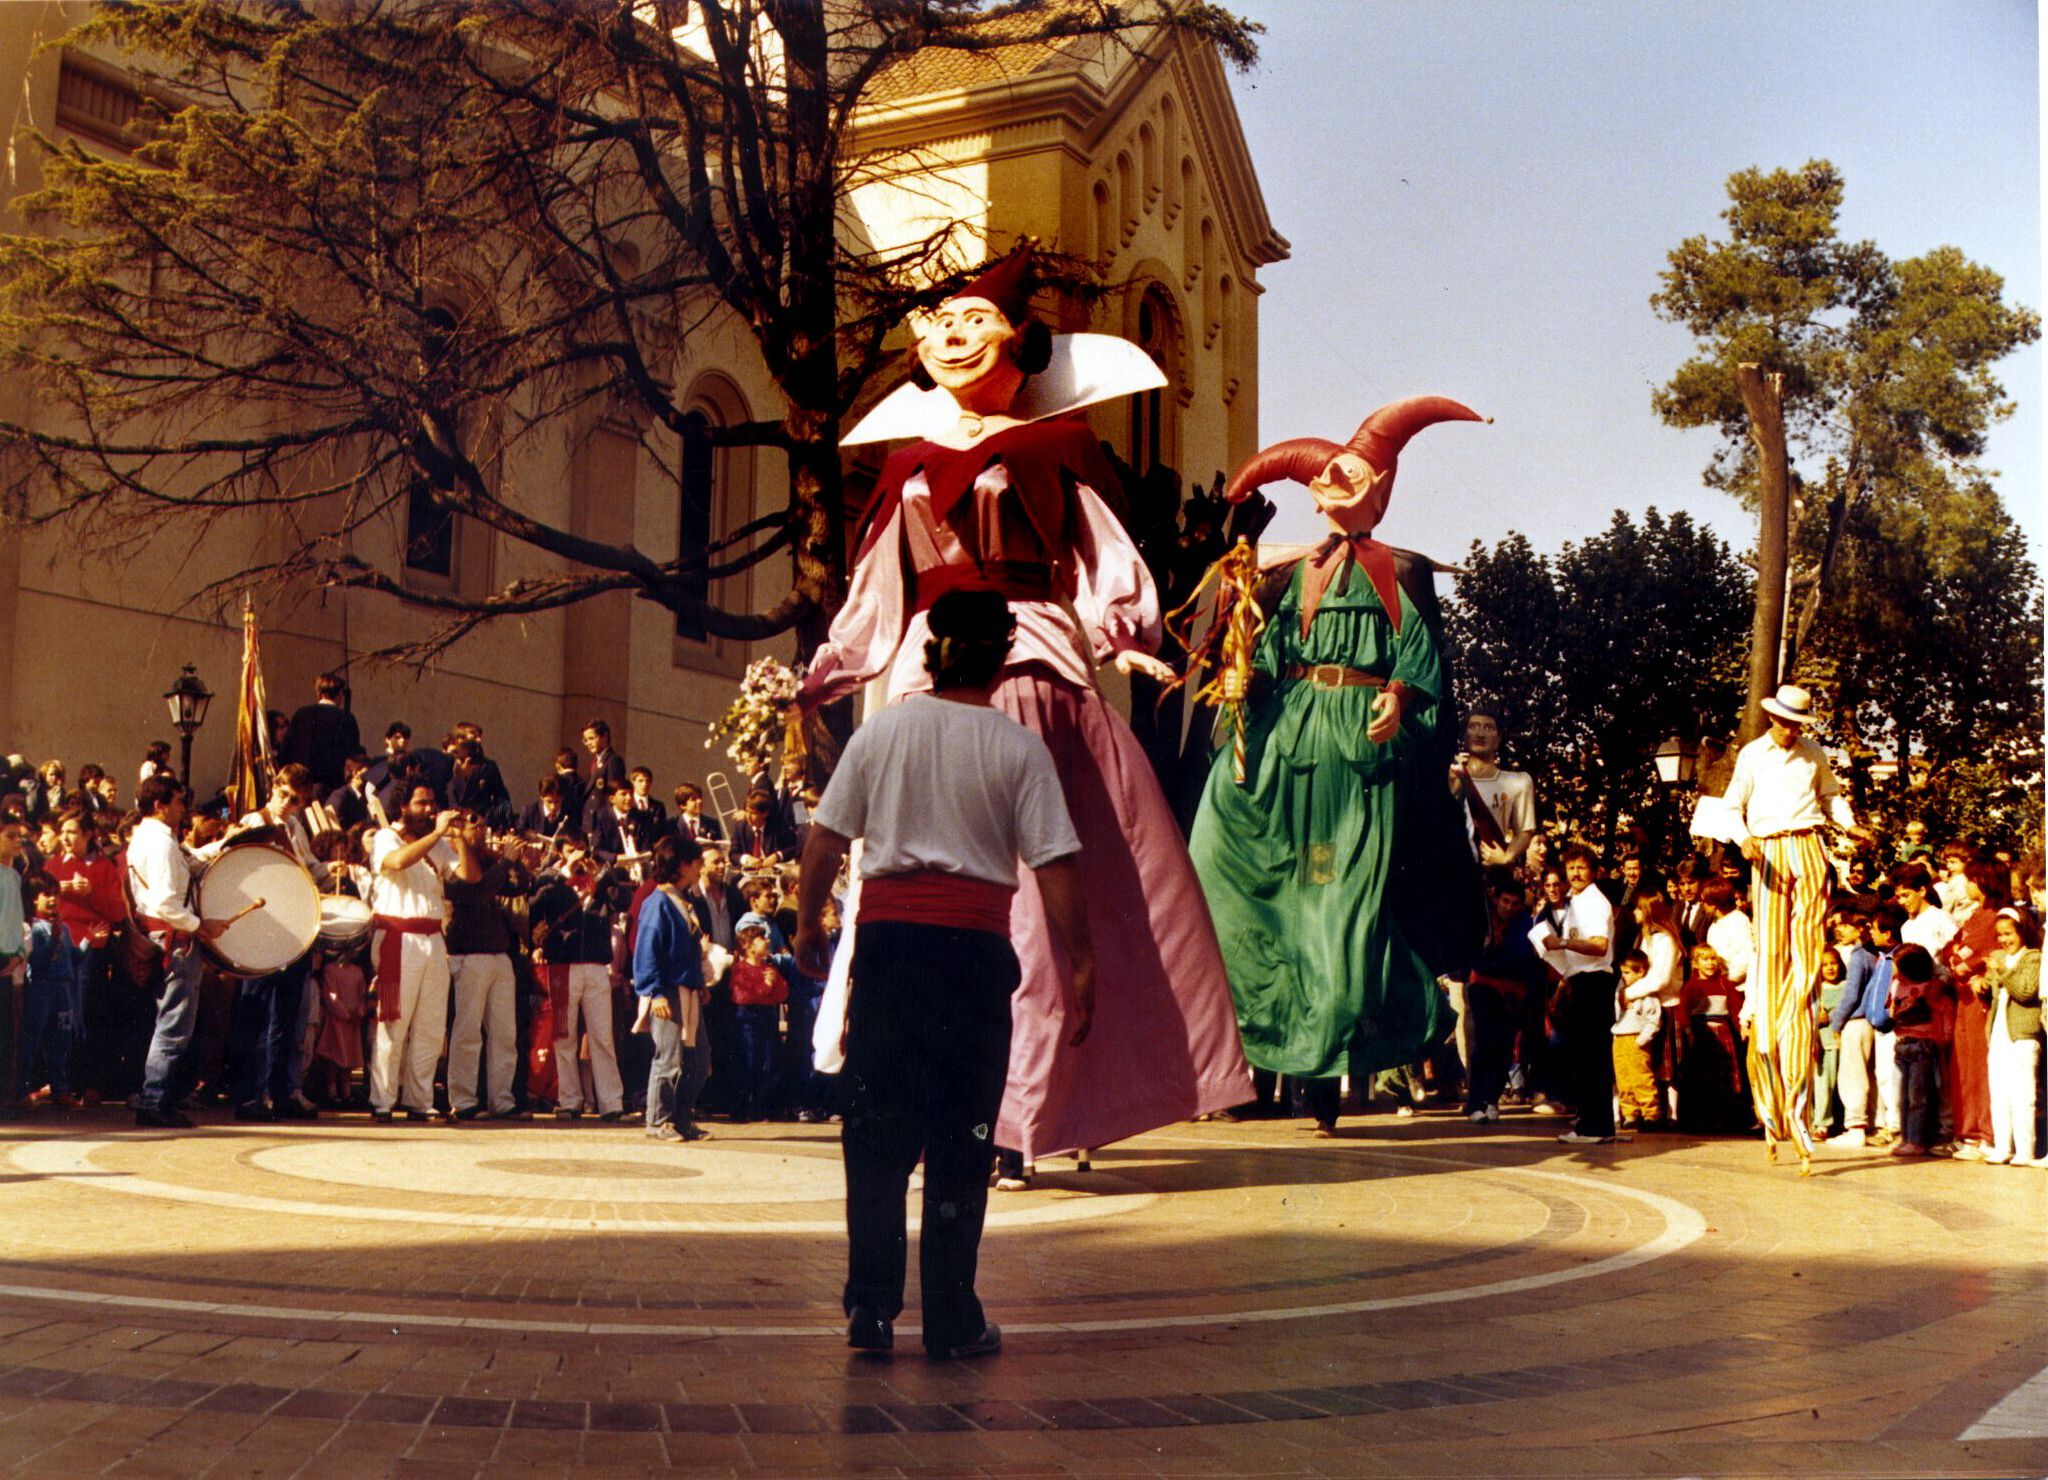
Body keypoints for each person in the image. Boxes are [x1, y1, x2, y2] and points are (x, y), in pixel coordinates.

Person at [797, 251, 1246, 1161]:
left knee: (1033, 901)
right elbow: (880, 590)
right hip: (928, 670)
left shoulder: (1058, 450)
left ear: (1021, 344)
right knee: (921, 878)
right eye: (943, 323)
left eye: (976, 320)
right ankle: (927, 1089)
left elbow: (1101, 564)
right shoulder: (909, 468)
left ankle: (1016, 1112)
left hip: (1029, 664)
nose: (955, 334)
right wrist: (829, 671)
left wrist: (1130, 641)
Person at [795, 589, 1094, 1361]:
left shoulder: (883, 732)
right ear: (1002, 655)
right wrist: (1082, 961)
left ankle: (870, 1308)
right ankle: (952, 1318)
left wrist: (805, 925)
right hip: (970, 957)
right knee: (963, 1139)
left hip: (890, 952)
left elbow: (824, 844)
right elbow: (1056, 867)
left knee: (875, 1133)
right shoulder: (1018, 748)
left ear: (931, 650)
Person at [1190, 395, 1488, 1132]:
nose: (1336, 483)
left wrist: (1398, 694)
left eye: (1355, 473)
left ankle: (1326, 1071)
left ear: (1382, 487)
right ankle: (1281, 1062)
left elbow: (1421, 661)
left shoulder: (1401, 571)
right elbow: (1262, 658)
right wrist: (1241, 680)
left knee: (1341, 908)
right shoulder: (1284, 575)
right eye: (1324, 475)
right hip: (1290, 737)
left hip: (1361, 753)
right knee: (1239, 875)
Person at [1721, 682, 1871, 1172]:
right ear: (1772, 718)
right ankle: (1770, 1099)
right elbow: (1730, 806)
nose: (1789, 730)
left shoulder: (1813, 754)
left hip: (1807, 846)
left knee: (1805, 963)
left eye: (1796, 724)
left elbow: (1831, 799)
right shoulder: (1753, 754)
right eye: (1784, 722)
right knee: (1769, 957)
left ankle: (1801, 1111)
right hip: (1766, 850)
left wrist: (1849, 826)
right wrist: (1742, 839)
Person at [222, 764, 330, 1122]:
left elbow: (312, 869)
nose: (288, 803)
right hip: (261, 929)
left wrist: (331, 872)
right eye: (284, 794)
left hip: (293, 930)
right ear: (274, 788)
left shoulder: (296, 826)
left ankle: (281, 1091)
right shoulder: (255, 822)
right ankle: (250, 1095)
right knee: (254, 1014)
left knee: (286, 1016)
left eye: (296, 800)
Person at [366, 785, 478, 1121]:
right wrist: (439, 834)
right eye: (421, 802)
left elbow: (469, 876)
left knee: (430, 1024)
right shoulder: (386, 836)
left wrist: (460, 838)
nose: (428, 808)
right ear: (404, 806)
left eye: (431, 802)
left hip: (432, 937)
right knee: (393, 1021)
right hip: (397, 936)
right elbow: (398, 861)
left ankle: (419, 1098)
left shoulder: (439, 842)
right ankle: (382, 1100)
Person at [127, 777, 233, 1128]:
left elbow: (186, 865)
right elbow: (166, 903)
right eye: (177, 802)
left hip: (163, 937)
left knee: (169, 1022)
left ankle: (158, 1099)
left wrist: (227, 841)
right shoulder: (160, 845)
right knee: (174, 1025)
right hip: (175, 941)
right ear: (160, 805)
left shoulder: (149, 837)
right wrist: (200, 925)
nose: (182, 809)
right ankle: (155, 1101)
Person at [444, 815, 526, 1120]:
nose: (481, 829)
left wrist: (517, 861)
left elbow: (520, 888)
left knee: (505, 1032)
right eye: (473, 824)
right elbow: (474, 890)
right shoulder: (452, 861)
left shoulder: (489, 860)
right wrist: (505, 862)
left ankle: (502, 1100)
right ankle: (463, 1100)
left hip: (498, 953)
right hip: (469, 954)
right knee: (467, 1030)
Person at [1537, 844, 1619, 1146]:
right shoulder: (1577, 901)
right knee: (1587, 1057)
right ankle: (1596, 1124)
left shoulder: (1594, 902)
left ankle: (1593, 1127)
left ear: (1593, 870)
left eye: (1581, 867)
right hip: (1580, 981)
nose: (1575, 873)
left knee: (1590, 1058)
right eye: (1570, 867)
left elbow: (1598, 945)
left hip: (1593, 981)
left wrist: (1561, 944)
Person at [632, 835, 710, 1142]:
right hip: (668, 991)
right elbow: (647, 949)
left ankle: (682, 1118)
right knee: (669, 1058)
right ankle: (658, 1120)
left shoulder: (682, 900)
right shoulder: (658, 902)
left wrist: (700, 984)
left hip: (688, 990)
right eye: (697, 862)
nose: (701, 868)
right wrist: (654, 992)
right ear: (683, 865)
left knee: (699, 1060)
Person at [1982, 908, 2041, 1167]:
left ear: (2021, 931)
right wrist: (1981, 984)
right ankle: (2002, 1146)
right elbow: (1993, 990)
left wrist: (2003, 971)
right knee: (1999, 1093)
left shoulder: (2033, 958)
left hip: (2023, 1034)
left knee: (2022, 1094)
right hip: (1998, 1032)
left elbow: (2027, 992)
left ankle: (2025, 1150)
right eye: (2000, 935)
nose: (2004, 940)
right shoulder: (1999, 956)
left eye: (2009, 934)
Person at [1885, 944, 1949, 1157]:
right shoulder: (1898, 985)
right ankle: (1907, 1137)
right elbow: (1892, 1010)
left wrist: (1944, 1039)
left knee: (1918, 1096)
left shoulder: (1932, 987)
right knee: (1904, 1096)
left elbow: (1943, 1013)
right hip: (1904, 1043)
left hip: (1923, 1045)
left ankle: (1918, 1139)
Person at [17, 876, 76, 1106]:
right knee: (31, 1041)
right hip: (40, 989)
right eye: (46, 894)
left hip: (63, 990)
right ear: (34, 899)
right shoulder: (33, 927)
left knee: (61, 1042)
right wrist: (53, 941)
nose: (53, 899)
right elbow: (38, 962)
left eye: (56, 894)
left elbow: (75, 959)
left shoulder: (64, 927)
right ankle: (21, 1091)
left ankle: (60, 1089)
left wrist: (89, 942)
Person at [280, 672, 361, 792]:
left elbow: (286, 751)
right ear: (340, 694)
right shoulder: (346, 718)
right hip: (333, 787)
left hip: (301, 786)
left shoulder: (301, 714)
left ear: (319, 693)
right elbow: (353, 755)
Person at [582, 719, 627, 796]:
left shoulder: (613, 760)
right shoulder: (595, 761)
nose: (588, 743)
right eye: (586, 740)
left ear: (605, 736)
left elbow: (613, 792)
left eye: (591, 738)